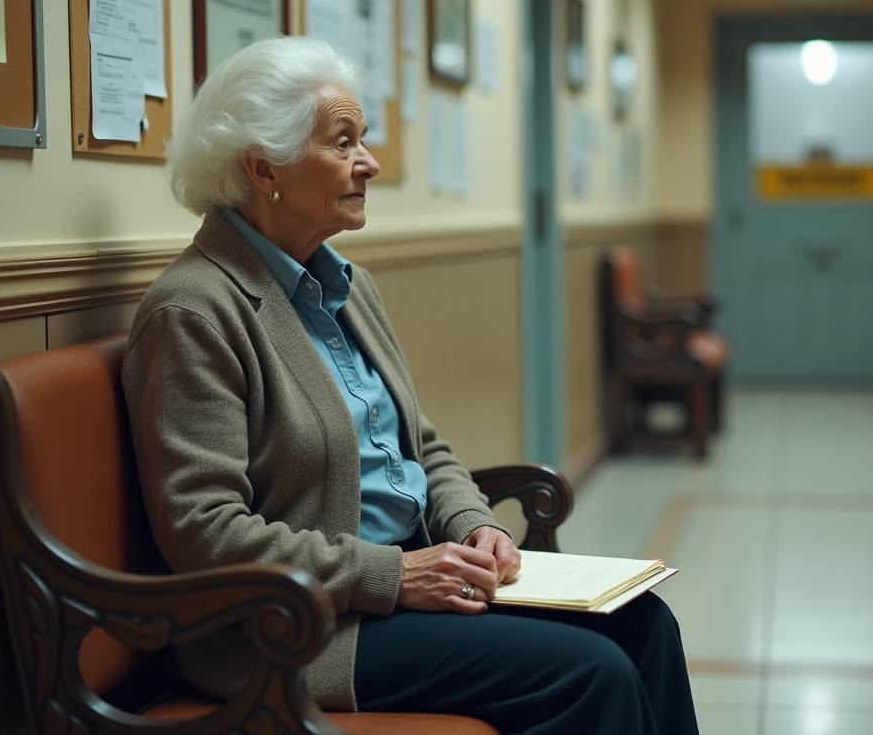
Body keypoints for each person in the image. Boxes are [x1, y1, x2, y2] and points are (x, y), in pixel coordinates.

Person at [122, 36, 698, 735]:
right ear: (262, 167)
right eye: (343, 144)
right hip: (297, 632)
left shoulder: (347, 285)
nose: (370, 163)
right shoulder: (193, 310)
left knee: (646, 625)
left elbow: (420, 446)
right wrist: (393, 575)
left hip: (406, 590)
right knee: (592, 672)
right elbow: (204, 533)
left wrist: (474, 524)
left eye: (362, 140)